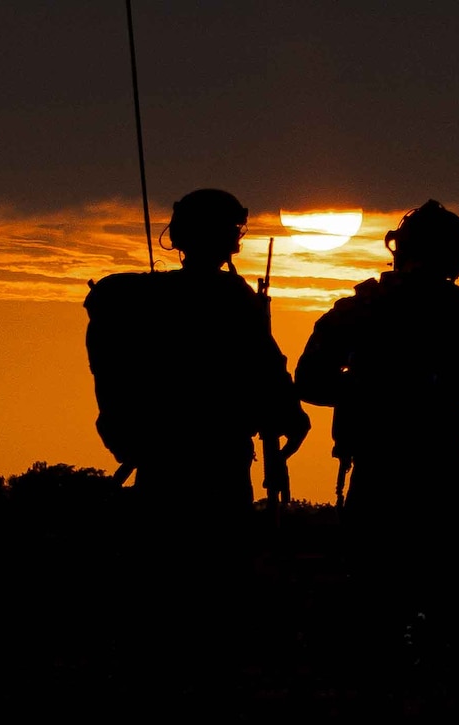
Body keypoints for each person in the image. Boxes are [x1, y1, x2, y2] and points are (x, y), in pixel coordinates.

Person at [84, 188, 310, 712]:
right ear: (227, 237)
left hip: (161, 466)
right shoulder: (233, 302)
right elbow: (270, 378)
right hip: (218, 465)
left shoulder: (142, 300)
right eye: (233, 230)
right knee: (216, 594)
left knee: (162, 591)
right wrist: (289, 424)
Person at [294, 199, 459, 682]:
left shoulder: (364, 311)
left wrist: (375, 400)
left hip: (398, 472)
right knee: (444, 601)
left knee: (395, 602)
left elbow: (309, 381)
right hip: (423, 473)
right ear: (457, 257)